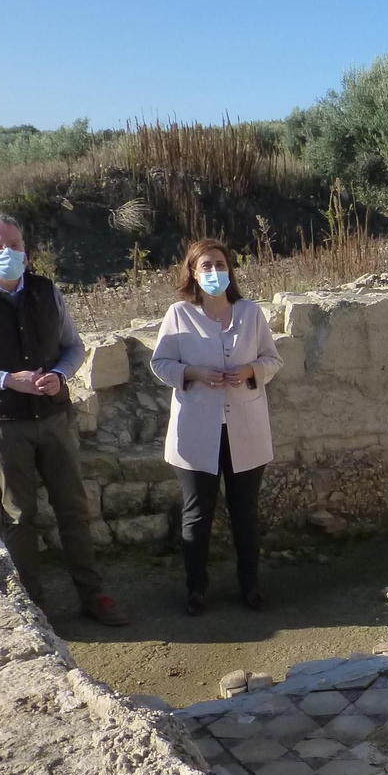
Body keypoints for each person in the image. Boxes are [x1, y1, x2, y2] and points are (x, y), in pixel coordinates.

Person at [0, 211, 128, 625]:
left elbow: (73, 347)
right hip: (2, 424)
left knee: (73, 508)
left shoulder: (46, 290)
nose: (7, 253)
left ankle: (93, 596)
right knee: (20, 515)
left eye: (15, 245)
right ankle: (32, 604)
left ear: (26, 250)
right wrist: (4, 380)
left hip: (54, 417)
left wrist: (58, 374)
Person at [150, 239, 281, 615]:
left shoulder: (250, 313)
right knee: (197, 513)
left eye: (219, 264)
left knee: (245, 512)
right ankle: (196, 589)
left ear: (230, 270)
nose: (213, 272)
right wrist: (193, 372)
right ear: (192, 272)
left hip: (245, 427)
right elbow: (161, 364)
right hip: (195, 430)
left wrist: (250, 371)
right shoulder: (178, 314)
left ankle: (251, 585)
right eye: (205, 266)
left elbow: (272, 360)